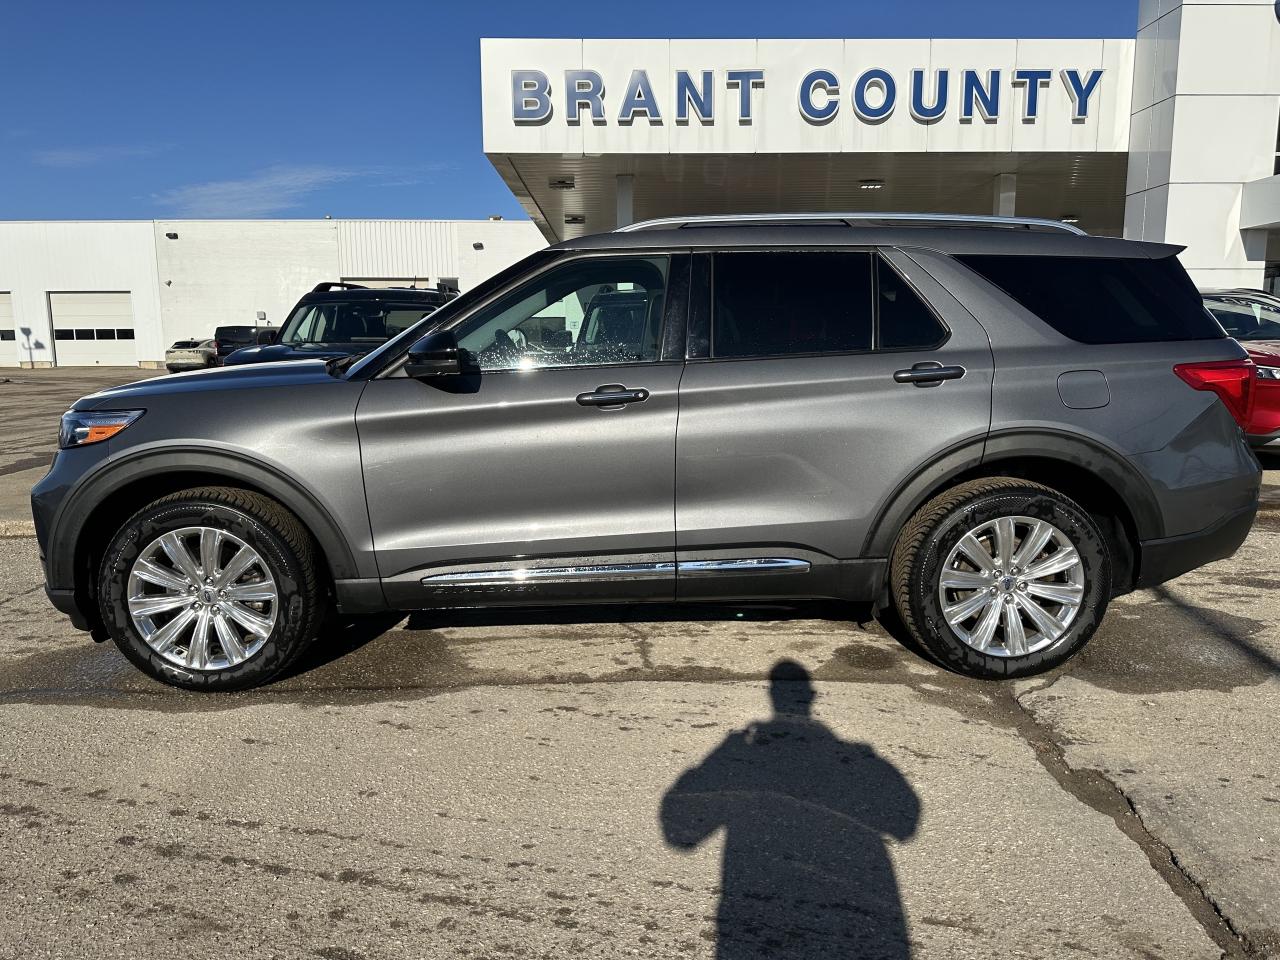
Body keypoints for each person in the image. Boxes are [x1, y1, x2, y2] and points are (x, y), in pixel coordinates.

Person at [660, 660, 920, 959]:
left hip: (759, 919)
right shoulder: (862, 760)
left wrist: (721, 757)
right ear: (811, 696)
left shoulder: (741, 750)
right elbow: (906, 824)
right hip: (859, 923)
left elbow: (679, 832)